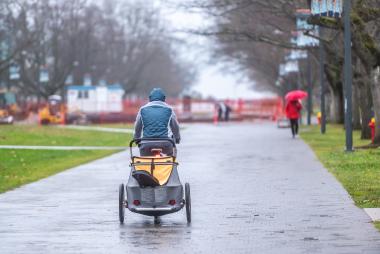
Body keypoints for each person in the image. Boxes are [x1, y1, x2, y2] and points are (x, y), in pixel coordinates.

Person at [134, 88, 181, 156]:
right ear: (164, 99)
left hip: (146, 143)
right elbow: (175, 127)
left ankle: (146, 165)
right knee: (171, 155)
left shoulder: (142, 109)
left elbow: (137, 127)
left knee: (145, 159)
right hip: (165, 143)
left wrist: (136, 139)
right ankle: (170, 165)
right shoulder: (169, 109)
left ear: (150, 98)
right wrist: (177, 138)